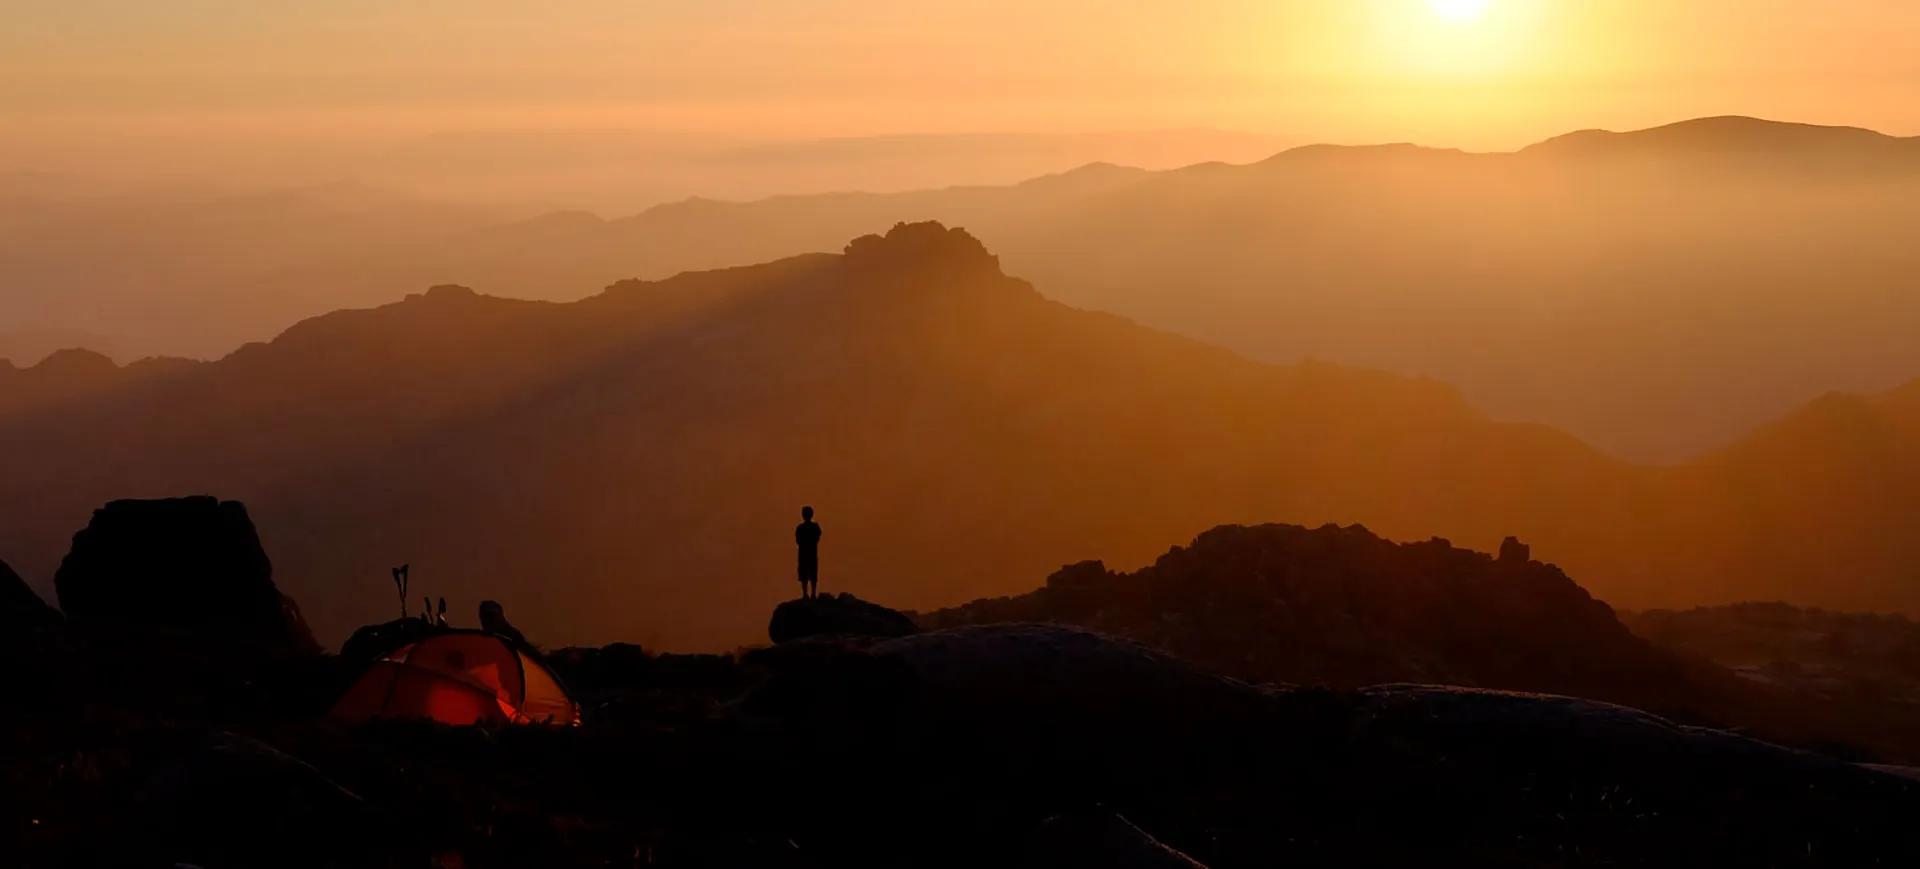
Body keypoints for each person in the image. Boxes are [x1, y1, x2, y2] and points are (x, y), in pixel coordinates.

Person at [795, 505, 823, 600]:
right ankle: (812, 594)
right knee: (810, 574)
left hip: (805, 554)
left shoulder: (801, 528)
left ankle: (806, 594)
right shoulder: (814, 527)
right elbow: (818, 537)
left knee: (806, 574)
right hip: (810, 553)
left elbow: (798, 541)